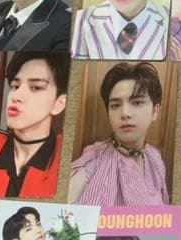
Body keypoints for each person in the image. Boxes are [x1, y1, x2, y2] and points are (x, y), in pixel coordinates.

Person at [69, 62, 169, 207]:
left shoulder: (156, 159)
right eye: (115, 105)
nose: (125, 113)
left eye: (137, 103)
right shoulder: (91, 164)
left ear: (155, 111)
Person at [0, 52, 69, 199]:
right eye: (15, 86)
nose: (16, 96)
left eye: (35, 87)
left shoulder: (65, 160)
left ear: (59, 104)